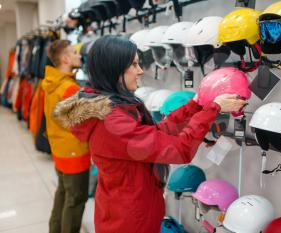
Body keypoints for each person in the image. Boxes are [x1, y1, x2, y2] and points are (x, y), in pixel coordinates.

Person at [53, 35, 247, 233]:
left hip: (127, 209)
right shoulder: (111, 122)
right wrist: (212, 109)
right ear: (114, 69)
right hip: (130, 220)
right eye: (134, 64)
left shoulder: (113, 108)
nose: (140, 71)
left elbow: (155, 133)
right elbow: (179, 150)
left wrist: (196, 105)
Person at [42, 39, 90, 233]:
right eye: (74, 52)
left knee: (63, 194)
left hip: (59, 150)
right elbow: (83, 124)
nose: (79, 55)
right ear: (65, 58)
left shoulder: (50, 83)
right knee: (76, 199)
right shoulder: (69, 89)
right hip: (75, 153)